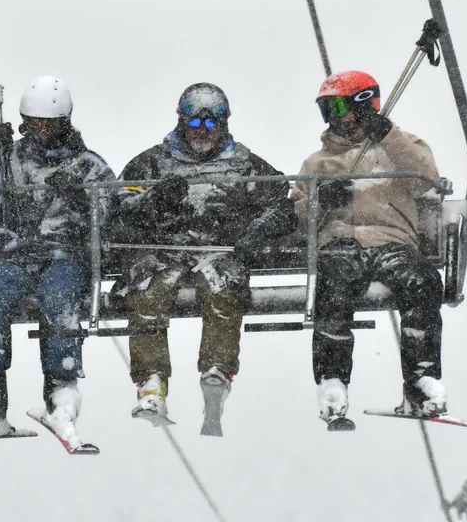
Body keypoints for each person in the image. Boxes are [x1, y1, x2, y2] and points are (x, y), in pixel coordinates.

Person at [110, 82, 297, 421]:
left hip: (218, 247)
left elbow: (281, 205)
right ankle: (151, 381)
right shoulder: (153, 163)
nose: (202, 132)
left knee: (222, 285)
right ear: (182, 123)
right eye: (194, 124)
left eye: (211, 124)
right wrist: (153, 202)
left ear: (223, 125)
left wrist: (254, 231)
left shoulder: (243, 165)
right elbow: (119, 209)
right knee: (147, 289)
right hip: (163, 249)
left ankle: (217, 369)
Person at [290, 70, 445, 428]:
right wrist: (320, 200)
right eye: (325, 109)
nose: (334, 117)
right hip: (340, 243)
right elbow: (298, 221)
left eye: (339, 106)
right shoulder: (318, 163)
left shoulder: (400, 148)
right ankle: (332, 381)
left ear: (364, 105)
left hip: (392, 242)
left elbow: (427, 180)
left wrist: (388, 136)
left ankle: (422, 377)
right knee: (334, 284)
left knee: (422, 282)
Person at [0, 75, 115, 441]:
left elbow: (111, 211)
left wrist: (81, 198)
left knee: (59, 299)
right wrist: (5, 195)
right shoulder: (8, 159)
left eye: (49, 124)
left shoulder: (87, 165)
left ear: (64, 121)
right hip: (18, 257)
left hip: (65, 256)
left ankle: (61, 394)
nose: (41, 131)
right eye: (34, 124)